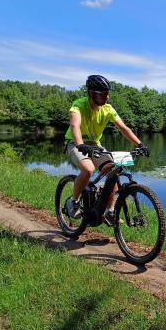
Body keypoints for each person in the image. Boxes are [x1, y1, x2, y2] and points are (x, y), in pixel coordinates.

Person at [64, 74, 149, 221]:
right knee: (88, 169)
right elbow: (75, 125)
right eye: (103, 94)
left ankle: (110, 211)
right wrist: (80, 144)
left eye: (108, 93)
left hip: (95, 145)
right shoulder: (79, 105)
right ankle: (74, 202)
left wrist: (139, 144)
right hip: (75, 142)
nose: (107, 97)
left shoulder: (108, 109)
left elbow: (123, 128)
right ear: (91, 93)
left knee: (113, 169)